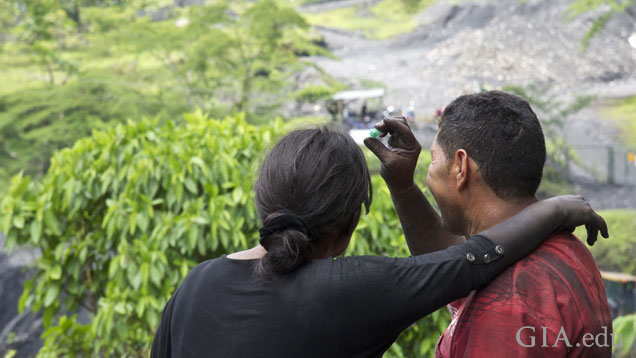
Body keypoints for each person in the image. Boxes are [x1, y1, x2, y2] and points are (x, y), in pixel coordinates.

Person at [151, 125, 607, 358]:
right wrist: (555, 209)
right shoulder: (345, 288)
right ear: (349, 225)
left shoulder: (195, 285)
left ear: (262, 201)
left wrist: (404, 188)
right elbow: (472, 261)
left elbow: (456, 264)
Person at [365, 91, 612, 358]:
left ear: (461, 167)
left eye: (434, 160)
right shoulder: (565, 249)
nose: (429, 173)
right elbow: (456, 264)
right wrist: (403, 187)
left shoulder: (505, 304)